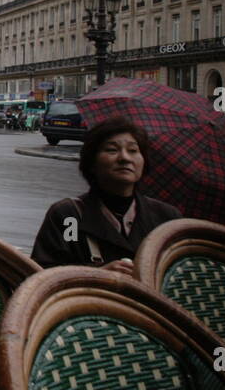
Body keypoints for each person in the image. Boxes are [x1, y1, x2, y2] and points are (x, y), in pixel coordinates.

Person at [30, 117, 181, 273]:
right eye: (112, 150)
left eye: (133, 150)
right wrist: (98, 273)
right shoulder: (70, 217)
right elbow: (45, 274)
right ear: (92, 162)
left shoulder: (165, 218)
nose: (125, 158)